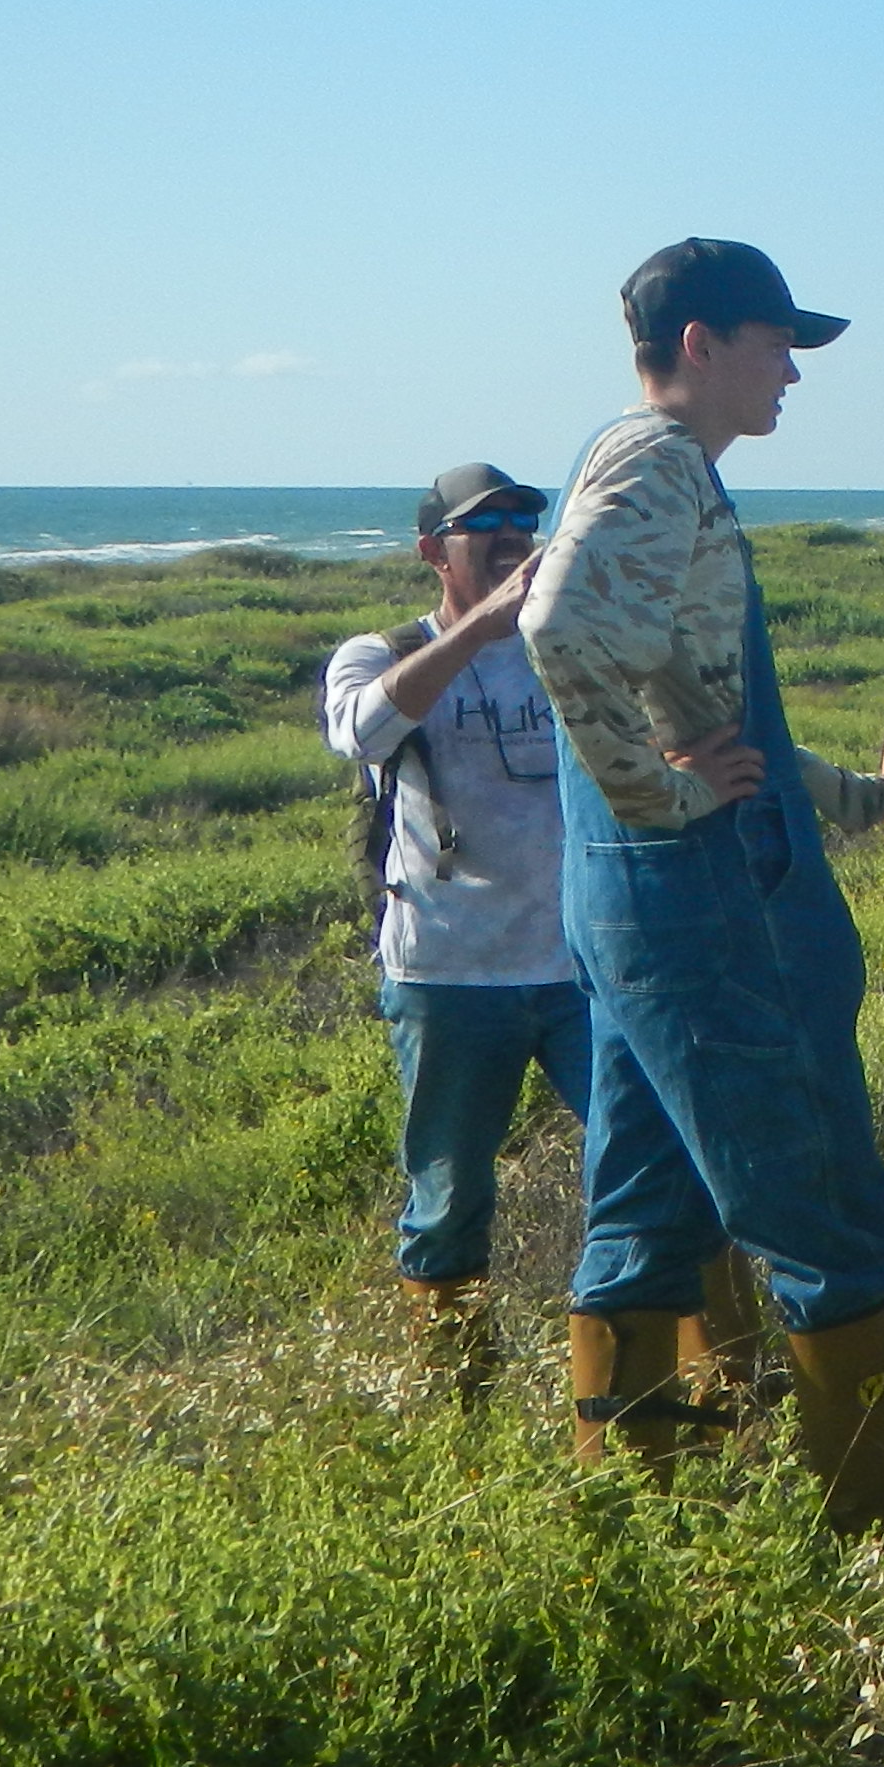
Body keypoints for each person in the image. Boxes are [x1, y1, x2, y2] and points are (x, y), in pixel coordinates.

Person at [520, 238, 884, 1532]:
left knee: (644, 1211)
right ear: (698, 344)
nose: (793, 376)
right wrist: (663, 795)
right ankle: (882, 1542)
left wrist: (854, 798)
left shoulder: (631, 464)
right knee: (816, 1206)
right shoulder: (657, 463)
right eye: (776, 346)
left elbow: (698, 703)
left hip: (639, 907)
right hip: (700, 904)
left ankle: (634, 1526)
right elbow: (559, 626)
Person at [320, 460, 585, 1381]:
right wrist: (481, 627)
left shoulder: (570, 645)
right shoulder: (379, 650)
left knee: (656, 1161)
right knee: (449, 1196)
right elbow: (357, 731)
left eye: (527, 517)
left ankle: (697, 1384)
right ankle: (455, 1394)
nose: (515, 533)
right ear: (435, 551)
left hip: (579, 969)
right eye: (488, 524)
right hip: (448, 972)